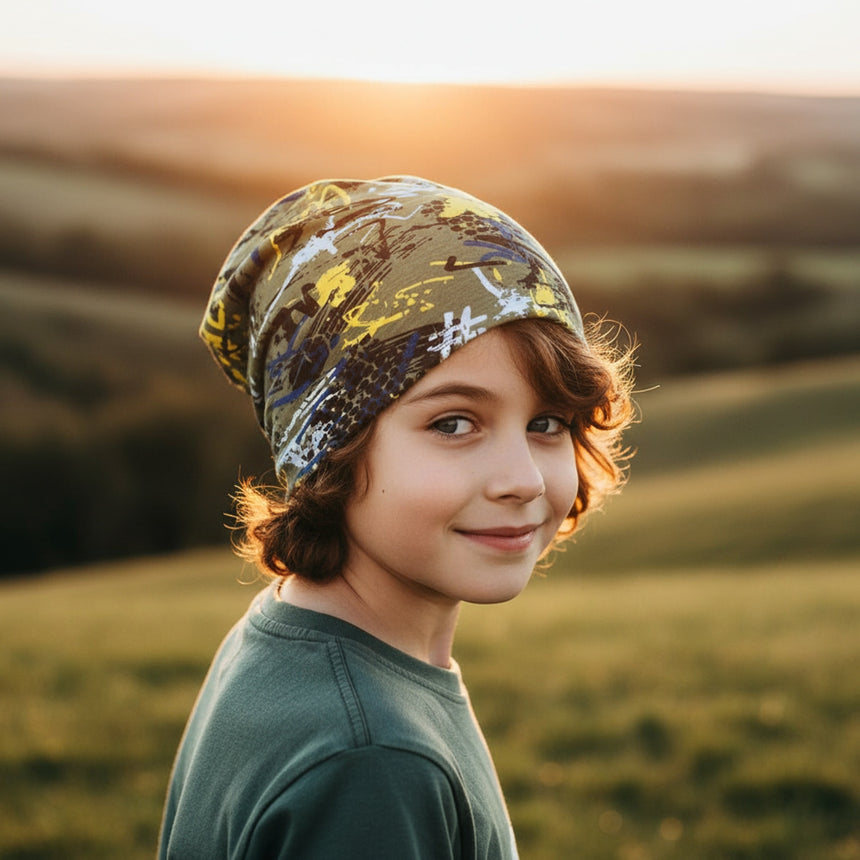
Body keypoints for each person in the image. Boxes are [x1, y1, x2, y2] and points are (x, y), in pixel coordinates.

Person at [158, 175, 635, 859]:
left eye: (547, 422)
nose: (523, 479)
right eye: (452, 422)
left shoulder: (294, 635)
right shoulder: (372, 757)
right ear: (328, 447)